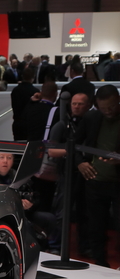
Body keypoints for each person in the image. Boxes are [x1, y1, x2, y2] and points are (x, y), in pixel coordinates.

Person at [75, 85, 120, 267]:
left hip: (117, 181)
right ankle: (100, 263)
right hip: (94, 180)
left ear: (118, 100)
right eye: (103, 108)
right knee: (96, 225)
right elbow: (73, 144)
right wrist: (80, 162)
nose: (108, 111)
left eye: (112, 107)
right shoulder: (91, 118)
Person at [48, 91, 92, 255]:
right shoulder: (62, 125)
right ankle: (56, 245)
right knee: (62, 212)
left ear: (88, 106)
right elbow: (51, 151)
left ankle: (84, 246)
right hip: (66, 174)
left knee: (85, 212)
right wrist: (73, 151)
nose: (76, 107)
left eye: (80, 104)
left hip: (86, 174)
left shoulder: (91, 123)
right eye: (74, 103)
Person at [11, 68, 37, 141]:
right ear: (33, 77)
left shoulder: (15, 90)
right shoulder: (35, 91)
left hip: (17, 123)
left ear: (22, 76)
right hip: (30, 124)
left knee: (18, 144)